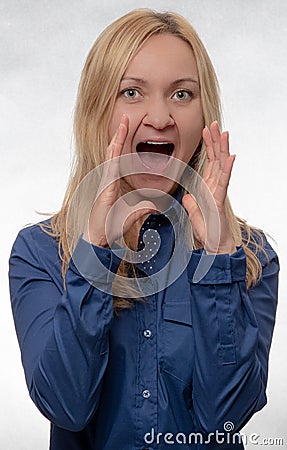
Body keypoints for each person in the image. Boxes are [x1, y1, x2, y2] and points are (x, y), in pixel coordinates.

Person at [9, 9, 279, 450]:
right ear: (98, 109)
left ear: (205, 116)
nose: (160, 116)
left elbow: (225, 418)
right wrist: (94, 256)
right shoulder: (38, 252)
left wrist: (217, 265)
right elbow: (65, 407)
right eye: (131, 92)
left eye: (182, 94)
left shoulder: (250, 259)